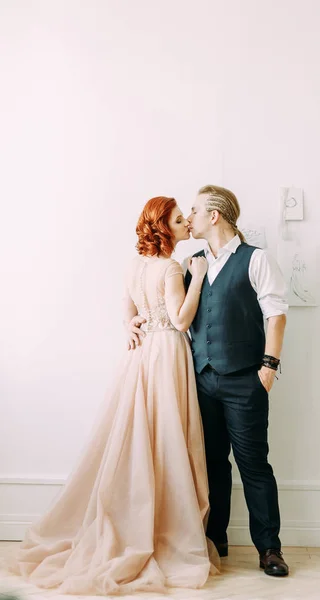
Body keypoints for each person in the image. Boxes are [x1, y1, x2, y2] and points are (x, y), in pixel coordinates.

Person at [8, 196, 219, 595]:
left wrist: (130, 326)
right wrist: (200, 273)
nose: (185, 224)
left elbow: (126, 308)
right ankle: (163, 522)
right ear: (164, 228)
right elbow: (180, 319)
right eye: (178, 220)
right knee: (166, 434)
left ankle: (141, 512)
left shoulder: (135, 264)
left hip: (139, 356)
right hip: (165, 353)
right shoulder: (173, 266)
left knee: (142, 431)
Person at [129, 185, 290, 578]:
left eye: (196, 211)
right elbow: (166, 308)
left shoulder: (257, 259)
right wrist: (131, 320)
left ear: (214, 215)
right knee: (212, 463)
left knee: (254, 465)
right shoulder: (190, 263)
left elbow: (277, 314)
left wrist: (268, 368)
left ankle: (269, 548)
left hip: (245, 381)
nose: (190, 218)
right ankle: (215, 539)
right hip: (201, 381)